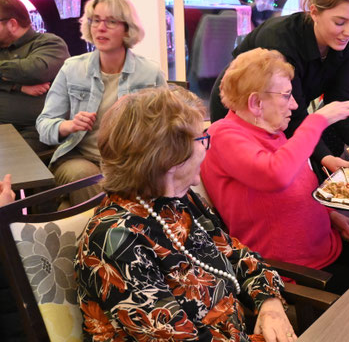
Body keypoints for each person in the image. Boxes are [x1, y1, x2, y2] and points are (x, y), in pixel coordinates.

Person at [75, 86, 295, 341]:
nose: (206, 147)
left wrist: (269, 304)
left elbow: (239, 257)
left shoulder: (179, 200)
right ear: (170, 159)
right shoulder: (116, 240)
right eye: (201, 139)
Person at [202, 48, 349, 295]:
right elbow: (275, 175)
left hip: (327, 248)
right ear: (255, 103)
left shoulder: (271, 130)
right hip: (293, 272)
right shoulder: (223, 135)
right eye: (287, 96)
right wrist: (316, 122)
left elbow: (297, 185)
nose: (295, 104)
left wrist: (330, 215)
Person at [209, 0, 349, 175]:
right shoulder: (281, 40)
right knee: (266, 176)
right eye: (340, 23)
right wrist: (324, 157)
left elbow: (340, 103)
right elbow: (295, 113)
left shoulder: (348, 44)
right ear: (314, 12)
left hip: (281, 113)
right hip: (240, 109)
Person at [36, 0, 166, 206]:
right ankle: (111, 223)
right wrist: (69, 125)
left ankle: (99, 222)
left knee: (70, 206)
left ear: (127, 29)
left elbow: (167, 128)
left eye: (111, 21)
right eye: (95, 20)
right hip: (80, 158)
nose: (100, 28)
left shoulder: (150, 72)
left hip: (130, 161)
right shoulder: (72, 68)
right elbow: (44, 125)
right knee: (85, 177)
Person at [0, 0, 69, 153]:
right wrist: (17, 87)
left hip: (34, 129)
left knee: (9, 158)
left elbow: (35, 71)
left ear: (12, 24)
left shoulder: (49, 43)